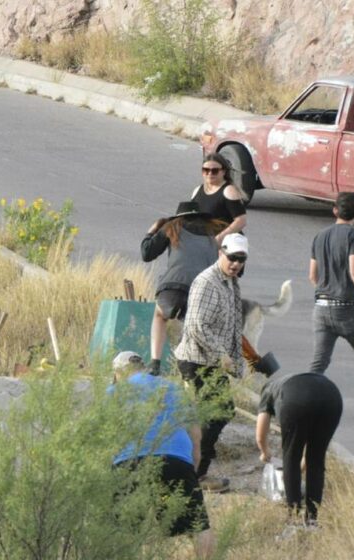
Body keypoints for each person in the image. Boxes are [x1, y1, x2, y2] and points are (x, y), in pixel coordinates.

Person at [110, 351, 216, 560]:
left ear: (118, 373)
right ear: (143, 368)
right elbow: (195, 433)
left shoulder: (113, 392)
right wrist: (192, 468)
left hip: (128, 463)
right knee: (197, 524)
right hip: (174, 459)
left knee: (124, 529)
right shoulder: (173, 388)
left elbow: (101, 438)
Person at [174, 233, 248, 492]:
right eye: (232, 258)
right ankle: (193, 475)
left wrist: (237, 363)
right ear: (221, 253)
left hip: (213, 362)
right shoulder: (207, 282)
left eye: (241, 259)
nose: (236, 264)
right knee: (211, 414)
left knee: (220, 412)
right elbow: (196, 326)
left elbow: (234, 327)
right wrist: (221, 355)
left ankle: (195, 471)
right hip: (196, 361)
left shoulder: (231, 282)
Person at [308, 192, 354, 422]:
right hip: (347, 308)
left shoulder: (320, 236)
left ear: (335, 211)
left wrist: (325, 288)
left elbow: (313, 275)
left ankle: (304, 400)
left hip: (321, 308)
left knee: (319, 361)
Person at [141, 201, 223, 375]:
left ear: (180, 216)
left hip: (173, 289)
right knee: (193, 328)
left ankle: (155, 363)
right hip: (203, 293)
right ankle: (189, 371)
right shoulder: (216, 233)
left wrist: (151, 231)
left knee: (160, 315)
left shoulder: (172, 226)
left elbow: (147, 254)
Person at [256, 371, 342, 527]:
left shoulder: (268, 389)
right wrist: (302, 468)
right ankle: (312, 520)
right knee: (316, 459)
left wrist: (264, 452)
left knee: (291, 457)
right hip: (332, 396)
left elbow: (260, 436)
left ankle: (294, 519)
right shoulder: (289, 381)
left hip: (295, 400)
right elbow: (310, 453)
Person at [191, 153, 247, 245]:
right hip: (204, 242)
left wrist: (220, 238)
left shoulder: (229, 191)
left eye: (215, 171)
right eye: (206, 170)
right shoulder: (197, 190)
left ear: (223, 172)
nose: (210, 173)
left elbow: (241, 221)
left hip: (227, 244)